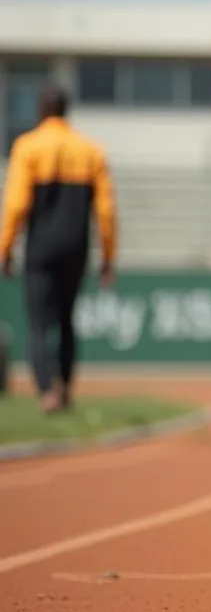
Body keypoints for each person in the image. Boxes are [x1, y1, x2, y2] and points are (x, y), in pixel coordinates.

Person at [0, 85, 117, 412]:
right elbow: (106, 211)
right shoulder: (90, 151)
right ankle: (64, 385)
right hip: (76, 247)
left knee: (38, 322)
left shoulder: (27, 147)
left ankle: (46, 389)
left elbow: (16, 204)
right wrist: (108, 256)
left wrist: (5, 248)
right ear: (66, 112)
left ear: (40, 111)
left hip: (40, 249)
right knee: (66, 320)